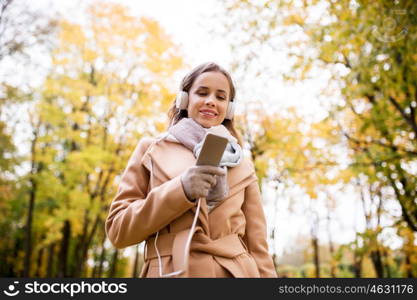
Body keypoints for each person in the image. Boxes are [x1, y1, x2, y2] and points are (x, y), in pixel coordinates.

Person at [105, 62, 277, 278]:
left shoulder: (243, 164)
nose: (211, 101)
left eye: (220, 97)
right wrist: (181, 189)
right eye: (202, 93)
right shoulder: (150, 150)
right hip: (172, 272)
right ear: (184, 100)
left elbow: (258, 246)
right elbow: (118, 231)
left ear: (229, 108)